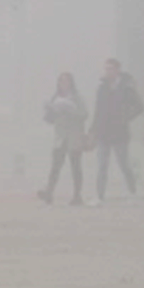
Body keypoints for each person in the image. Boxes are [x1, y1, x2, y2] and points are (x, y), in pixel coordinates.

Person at [89, 58, 144, 201]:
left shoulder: (126, 87)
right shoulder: (102, 88)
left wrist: (126, 118)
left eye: (111, 69)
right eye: (106, 69)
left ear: (118, 70)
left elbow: (139, 107)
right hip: (103, 132)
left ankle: (131, 183)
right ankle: (100, 194)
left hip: (120, 133)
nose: (108, 72)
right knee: (102, 166)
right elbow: (98, 110)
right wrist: (92, 130)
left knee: (123, 164)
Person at [38, 72, 87, 205]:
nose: (63, 84)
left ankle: (77, 195)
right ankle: (49, 192)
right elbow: (50, 120)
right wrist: (50, 110)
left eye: (66, 81)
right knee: (55, 166)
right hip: (60, 137)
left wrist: (71, 111)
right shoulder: (55, 97)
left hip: (74, 136)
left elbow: (84, 114)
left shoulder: (77, 98)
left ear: (71, 83)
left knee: (75, 167)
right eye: (61, 81)